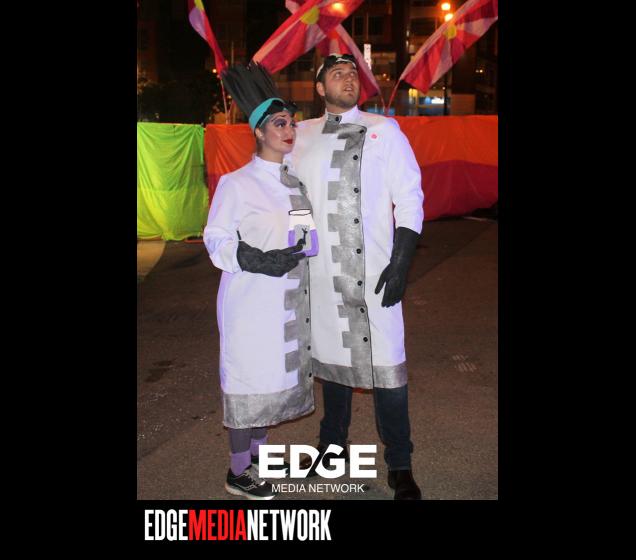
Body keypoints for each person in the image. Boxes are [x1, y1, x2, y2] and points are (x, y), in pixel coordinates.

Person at [285, 54, 425, 500]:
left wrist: (401, 262)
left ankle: (400, 463)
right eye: (336, 74)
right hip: (321, 274)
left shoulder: (385, 130)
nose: (348, 78)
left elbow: (410, 197)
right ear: (319, 89)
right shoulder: (301, 135)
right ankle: (332, 449)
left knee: (389, 370)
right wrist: (299, 244)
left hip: (375, 272)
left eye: (352, 73)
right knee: (334, 364)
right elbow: (293, 195)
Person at [203, 63, 317, 500]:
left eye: (291, 123)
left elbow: (306, 238)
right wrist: (252, 257)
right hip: (248, 301)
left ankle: (258, 459)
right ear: (259, 131)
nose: (289, 130)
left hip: (286, 301)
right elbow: (215, 238)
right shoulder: (236, 183)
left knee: (271, 377)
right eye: (280, 123)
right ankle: (238, 472)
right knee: (247, 380)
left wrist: (305, 244)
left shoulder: (295, 184)